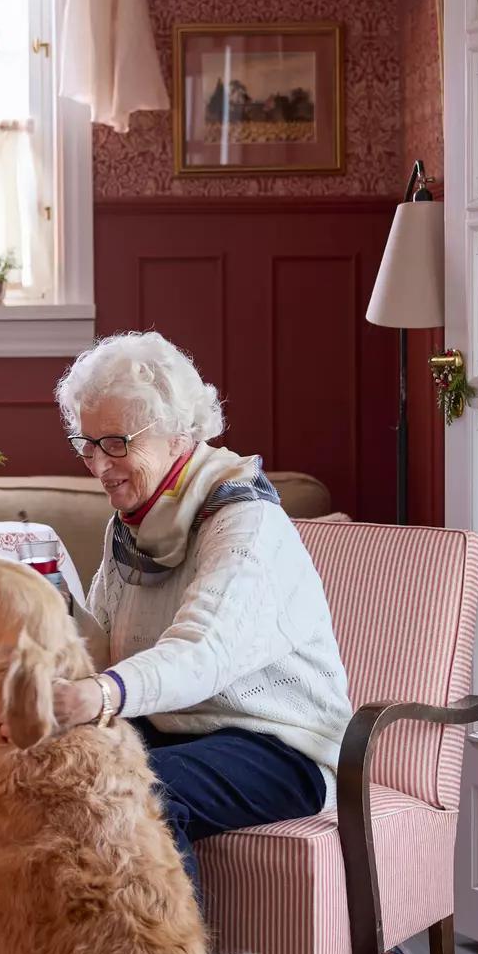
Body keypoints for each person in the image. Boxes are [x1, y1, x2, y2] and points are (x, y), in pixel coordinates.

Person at [51, 332, 351, 897]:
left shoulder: (244, 523)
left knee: (132, 791)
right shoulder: (138, 515)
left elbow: (201, 652)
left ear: (179, 435)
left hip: (279, 745)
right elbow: (110, 648)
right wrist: (50, 605)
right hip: (174, 725)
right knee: (47, 771)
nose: (99, 465)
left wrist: (104, 694)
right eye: (87, 444)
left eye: (116, 443)